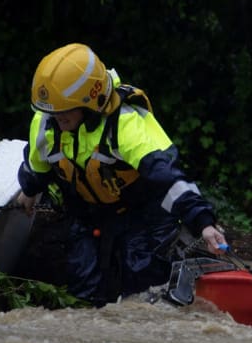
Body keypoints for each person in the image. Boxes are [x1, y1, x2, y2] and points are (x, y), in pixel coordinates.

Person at [17, 43, 227, 306]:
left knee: (141, 280)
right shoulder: (46, 123)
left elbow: (167, 178)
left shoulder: (125, 125)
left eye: (63, 110)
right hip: (88, 212)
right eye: (51, 111)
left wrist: (203, 222)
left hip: (142, 211)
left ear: (91, 102)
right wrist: (28, 189)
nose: (56, 117)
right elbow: (37, 164)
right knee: (82, 287)